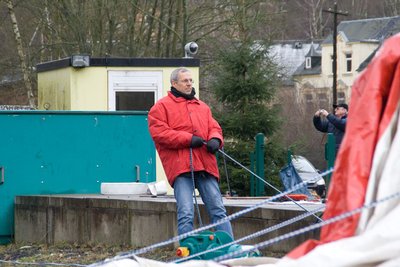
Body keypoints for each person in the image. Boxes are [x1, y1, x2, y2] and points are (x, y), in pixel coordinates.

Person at [147, 67, 233, 238]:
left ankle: (230, 249)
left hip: (205, 165)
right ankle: (187, 253)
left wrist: (216, 139)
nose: (189, 84)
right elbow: (160, 134)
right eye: (185, 81)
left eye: (190, 80)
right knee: (186, 213)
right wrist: (188, 139)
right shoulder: (160, 108)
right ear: (174, 83)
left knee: (218, 209)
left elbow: (214, 127)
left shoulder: (202, 107)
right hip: (181, 168)